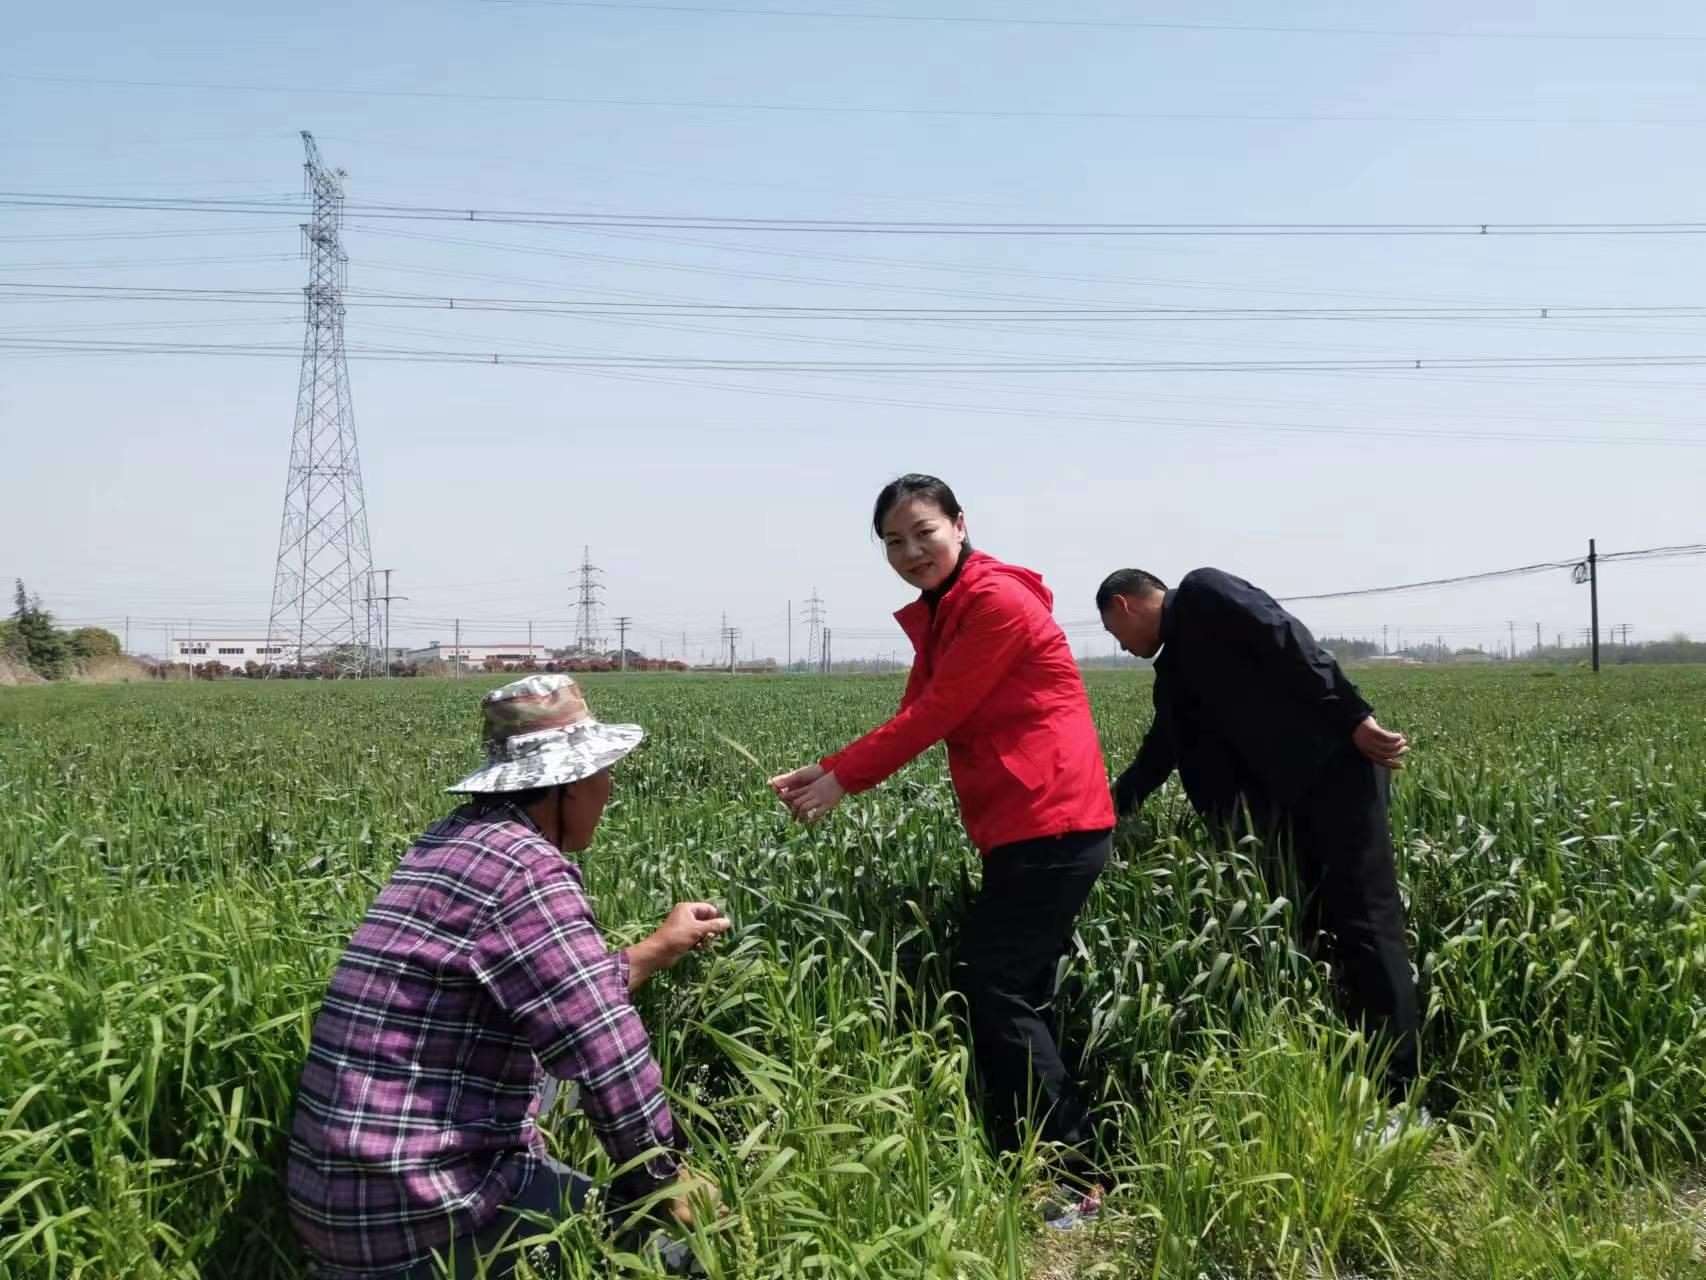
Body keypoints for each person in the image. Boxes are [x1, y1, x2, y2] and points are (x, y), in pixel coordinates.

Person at [288, 674, 731, 1278]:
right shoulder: (528, 871)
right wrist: (666, 1177)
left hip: (340, 1199)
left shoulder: (452, 841)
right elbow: (606, 1050)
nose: (609, 789)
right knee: (685, 1254)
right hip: (423, 1220)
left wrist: (656, 949)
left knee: (553, 1085)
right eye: (603, 774)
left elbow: (566, 997)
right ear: (566, 785)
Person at [770, 474, 1115, 1229]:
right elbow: (915, 710)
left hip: (1051, 818)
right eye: (893, 542)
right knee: (1018, 987)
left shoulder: (994, 603)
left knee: (997, 986)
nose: (910, 552)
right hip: (1027, 821)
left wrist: (842, 782)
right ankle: (1050, 1154)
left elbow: (938, 713)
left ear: (960, 524)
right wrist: (827, 768)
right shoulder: (948, 607)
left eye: (923, 532)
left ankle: (1078, 1175)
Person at [1095, 567, 1421, 1104]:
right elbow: (1162, 750)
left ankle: (1402, 1095)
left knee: (1367, 922)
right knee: (1320, 924)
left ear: (1125, 606)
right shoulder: (1175, 668)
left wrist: (1354, 716)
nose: (1123, 647)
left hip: (1339, 773)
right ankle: (1351, 1059)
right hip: (1296, 801)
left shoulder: (1203, 593)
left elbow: (1285, 637)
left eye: (1114, 633)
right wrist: (1105, 811)